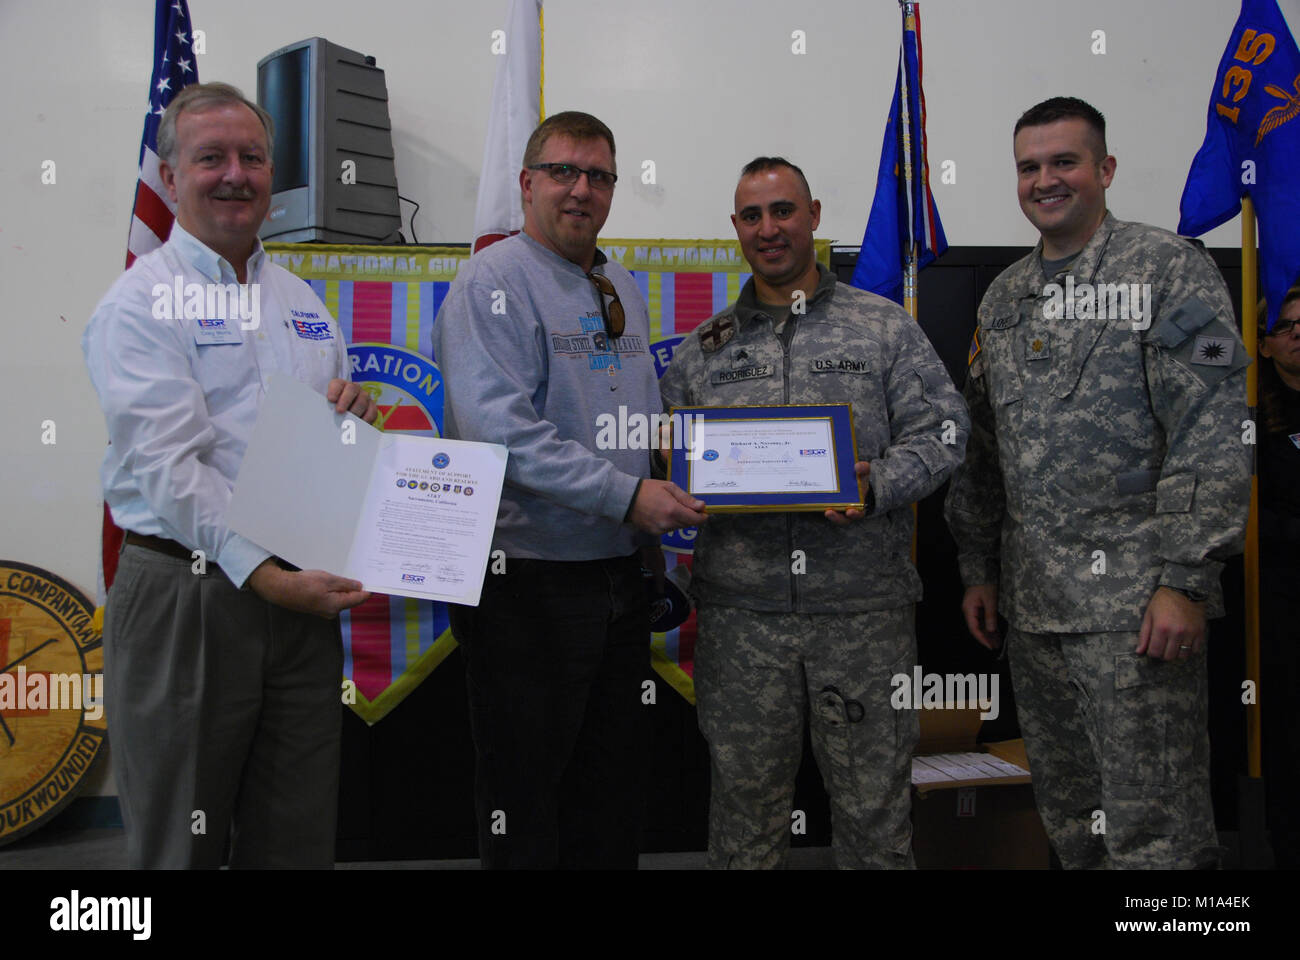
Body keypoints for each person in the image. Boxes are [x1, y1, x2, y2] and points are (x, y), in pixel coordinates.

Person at [944, 97, 1250, 869]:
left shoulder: (1167, 270)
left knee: (1158, 836)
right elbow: (987, 448)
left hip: (1138, 613)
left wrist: (1185, 578)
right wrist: (978, 566)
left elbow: (1214, 427)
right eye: (1029, 167)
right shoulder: (1004, 298)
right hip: (1036, 612)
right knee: (1075, 827)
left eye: (1064, 161)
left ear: (1105, 169)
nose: (1046, 180)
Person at [82, 83, 376, 869]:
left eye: (251, 157)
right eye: (210, 157)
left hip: (300, 599)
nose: (235, 174)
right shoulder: (140, 305)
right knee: (180, 842)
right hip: (191, 595)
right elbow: (172, 469)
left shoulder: (303, 302)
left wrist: (352, 423)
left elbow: (319, 444)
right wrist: (267, 576)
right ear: (170, 179)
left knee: (296, 836)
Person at [658, 157, 968, 869]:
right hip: (742, 621)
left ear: (814, 215)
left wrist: (878, 483)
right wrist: (676, 484)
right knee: (744, 819)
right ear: (736, 227)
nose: (769, 229)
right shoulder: (704, 351)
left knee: (874, 818)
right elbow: (668, 457)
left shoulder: (882, 328)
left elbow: (948, 434)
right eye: (751, 216)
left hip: (861, 615)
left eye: (783, 211)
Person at [432, 111, 707, 869]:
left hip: (616, 578)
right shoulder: (493, 282)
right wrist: (629, 500)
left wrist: (646, 527)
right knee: (524, 804)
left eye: (599, 175)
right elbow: (503, 436)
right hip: (526, 586)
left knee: (609, 797)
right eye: (563, 172)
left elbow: (630, 417)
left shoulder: (614, 279)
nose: (581, 189)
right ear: (527, 184)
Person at [1256, 282, 1300, 868]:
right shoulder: (1247, 416)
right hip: (1276, 602)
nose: (1298, 336)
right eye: (1286, 326)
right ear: (1264, 345)